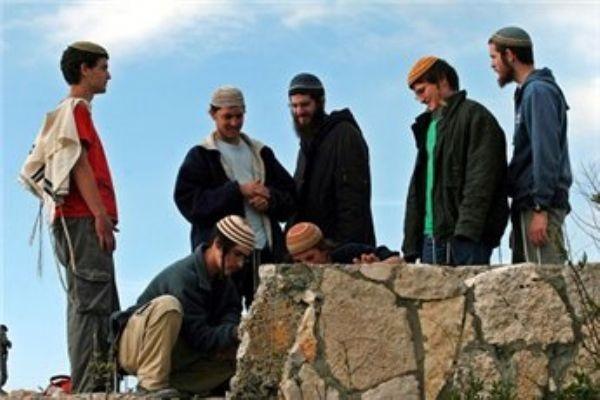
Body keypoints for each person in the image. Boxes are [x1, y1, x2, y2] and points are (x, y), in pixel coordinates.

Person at [20, 41, 120, 392]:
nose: (108, 75)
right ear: (84, 69)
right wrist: (99, 215)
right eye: (103, 67)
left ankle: (96, 383)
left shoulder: (74, 111)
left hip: (77, 219)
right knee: (91, 303)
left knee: (93, 300)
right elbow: (78, 164)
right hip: (81, 218)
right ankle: (91, 387)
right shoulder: (75, 110)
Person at [174, 86, 296, 306]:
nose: (234, 123)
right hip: (223, 255)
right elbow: (189, 203)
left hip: (263, 252)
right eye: (227, 117)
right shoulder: (202, 155)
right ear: (213, 114)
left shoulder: (261, 152)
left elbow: (290, 197)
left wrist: (269, 199)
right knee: (222, 315)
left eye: (239, 116)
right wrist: (237, 191)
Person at [112, 215, 254, 397]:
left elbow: (229, 321)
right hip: (135, 349)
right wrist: (234, 332)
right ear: (218, 244)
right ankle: (150, 387)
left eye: (244, 258)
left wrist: (236, 335)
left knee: (239, 357)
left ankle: (176, 389)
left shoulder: (227, 285)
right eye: (237, 254)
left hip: (177, 355)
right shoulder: (184, 277)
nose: (240, 264)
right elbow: (199, 336)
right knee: (168, 306)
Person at [402, 56, 508, 265]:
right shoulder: (428, 126)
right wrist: (411, 245)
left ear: (442, 80)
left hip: (466, 239)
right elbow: (419, 189)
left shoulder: (476, 117)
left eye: (422, 91)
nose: (420, 99)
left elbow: (481, 181)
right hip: (429, 239)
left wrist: (466, 233)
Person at [488, 27, 572, 264]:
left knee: (545, 279)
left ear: (510, 55)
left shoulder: (538, 92)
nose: (492, 64)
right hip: (528, 204)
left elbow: (546, 152)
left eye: (494, 57)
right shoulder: (527, 92)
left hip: (539, 206)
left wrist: (540, 208)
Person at [287, 73, 375, 246]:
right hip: (312, 248)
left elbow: (353, 199)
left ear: (320, 102)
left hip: (340, 247)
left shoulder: (344, 134)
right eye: (294, 106)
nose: (299, 112)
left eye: (305, 105)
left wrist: (345, 248)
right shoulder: (306, 146)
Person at [286, 222, 401, 264]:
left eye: (310, 258)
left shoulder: (348, 253)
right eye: (298, 262)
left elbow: (397, 260)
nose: (306, 265)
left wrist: (377, 266)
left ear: (324, 250)